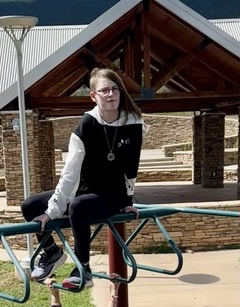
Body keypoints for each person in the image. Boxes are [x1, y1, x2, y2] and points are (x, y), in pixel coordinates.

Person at [21, 67, 146, 290]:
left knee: (78, 206)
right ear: (93, 96)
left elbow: (131, 166)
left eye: (115, 89)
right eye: (104, 90)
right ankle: (52, 252)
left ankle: (83, 268)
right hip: (84, 188)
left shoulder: (133, 122)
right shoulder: (86, 125)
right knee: (30, 205)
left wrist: (128, 201)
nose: (111, 94)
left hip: (112, 194)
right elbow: (70, 172)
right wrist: (51, 211)